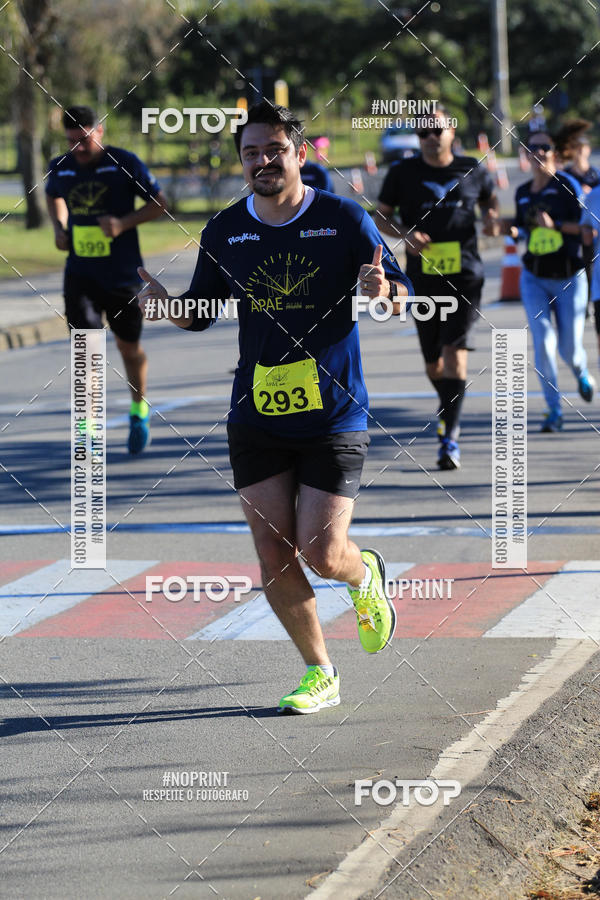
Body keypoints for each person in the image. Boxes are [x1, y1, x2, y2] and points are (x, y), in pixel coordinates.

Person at [138, 101, 411, 714]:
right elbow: (200, 314)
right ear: (242, 161)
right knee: (271, 552)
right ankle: (321, 672)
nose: (262, 161)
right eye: (251, 152)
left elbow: (402, 292)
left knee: (321, 552)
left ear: (300, 152)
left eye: (274, 150)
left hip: (333, 412)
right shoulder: (226, 230)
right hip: (255, 412)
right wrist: (165, 305)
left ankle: (363, 575)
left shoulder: (343, 219)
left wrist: (385, 290)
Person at [375, 108, 499, 470]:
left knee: (453, 351)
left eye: (437, 130)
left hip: (466, 275)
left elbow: (490, 199)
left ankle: (450, 437)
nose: (431, 137)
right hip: (423, 279)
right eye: (423, 132)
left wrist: (491, 216)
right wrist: (406, 235)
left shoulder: (471, 167)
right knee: (433, 364)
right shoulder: (402, 172)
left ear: (451, 131)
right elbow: (379, 215)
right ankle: (449, 404)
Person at [46, 105, 168, 453]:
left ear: (99, 131)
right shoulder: (61, 165)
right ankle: (88, 425)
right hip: (80, 275)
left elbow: (160, 203)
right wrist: (59, 228)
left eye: (84, 140)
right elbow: (54, 194)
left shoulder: (123, 163)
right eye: (71, 142)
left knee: (128, 348)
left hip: (123, 275)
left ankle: (138, 409)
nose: (78, 149)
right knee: (86, 349)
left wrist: (122, 224)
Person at [484, 130, 595, 431]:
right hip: (534, 278)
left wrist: (556, 225)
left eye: (545, 148)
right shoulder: (522, 193)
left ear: (555, 153)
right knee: (543, 345)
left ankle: (581, 371)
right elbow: (521, 228)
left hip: (570, 278)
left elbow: (588, 229)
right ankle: (554, 410)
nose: (538, 153)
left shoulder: (568, 186)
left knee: (569, 350)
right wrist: (503, 227)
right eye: (532, 148)